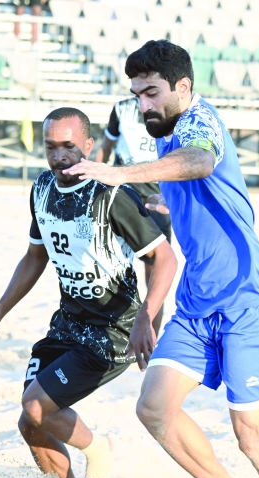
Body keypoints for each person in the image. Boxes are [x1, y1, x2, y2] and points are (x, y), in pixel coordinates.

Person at [65, 40, 259, 478]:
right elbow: (190, 194)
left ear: (182, 87)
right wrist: (161, 204)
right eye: (135, 97)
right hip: (198, 305)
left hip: (248, 301)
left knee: (253, 438)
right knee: (154, 408)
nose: (144, 105)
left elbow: (199, 161)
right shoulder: (171, 136)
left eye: (152, 92)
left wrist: (121, 175)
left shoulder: (201, 122)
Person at [0, 107, 177, 478]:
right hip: (68, 323)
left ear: (89, 146)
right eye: (51, 147)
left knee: (36, 405)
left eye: (68, 146)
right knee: (31, 423)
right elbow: (35, 257)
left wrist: (148, 318)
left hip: (113, 330)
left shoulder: (110, 195)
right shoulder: (43, 189)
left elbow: (164, 258)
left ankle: (99, 451)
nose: (60, 155)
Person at [94, 96, 172, 334]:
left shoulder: (169, 109)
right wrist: (94, 180)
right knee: (109, 271)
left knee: (155, 277)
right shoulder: (122, 108)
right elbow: (105, 148)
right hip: (120, 195)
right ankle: (107, 333)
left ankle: (150, 341)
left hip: (154, 198)